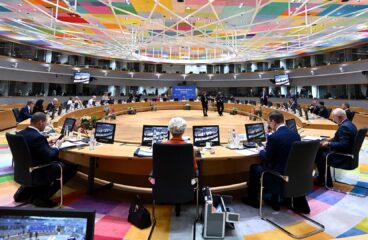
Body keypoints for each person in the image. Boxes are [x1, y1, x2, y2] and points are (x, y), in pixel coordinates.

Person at [15, 112, 78, 207]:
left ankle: (29, 190)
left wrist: (47, 145)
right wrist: (57, 145)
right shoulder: (38, 137)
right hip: (38, 170)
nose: (46, 125)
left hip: (24, 170)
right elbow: (49, 156)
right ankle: (42, 197)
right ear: (40, 122)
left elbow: (37, 149)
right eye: (46, 123)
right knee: (71, 168)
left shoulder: (20, 133)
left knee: (62, 163)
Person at [243, 111, 302, 211]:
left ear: (273, 122)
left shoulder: (274, 137)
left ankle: (252, 199)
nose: (269, 125)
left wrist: (261, 150)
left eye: (269, 123)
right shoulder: (295, 135)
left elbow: (267, 157)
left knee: (254, 167)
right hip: (292, 173)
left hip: (278, 174)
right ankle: (272, 197)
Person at [314, 108, 357, 187]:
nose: (333, 120)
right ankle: (324, 178)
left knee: (318, 154)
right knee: (321, 150)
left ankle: (325, 180)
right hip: (349, 154)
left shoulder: (344, 127)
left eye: (334, 117)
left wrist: (329, 143)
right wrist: (328, 142)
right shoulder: (350, 124)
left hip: (343, 157)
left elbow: (344, 145)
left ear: (340, 117)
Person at [148, 117, 197, 185]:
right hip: (184, 186)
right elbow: (194, 168)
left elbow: (156, 167)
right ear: (183, 130)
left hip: (162, 187)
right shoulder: (189, 147)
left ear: (170, 130)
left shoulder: (160, 146)